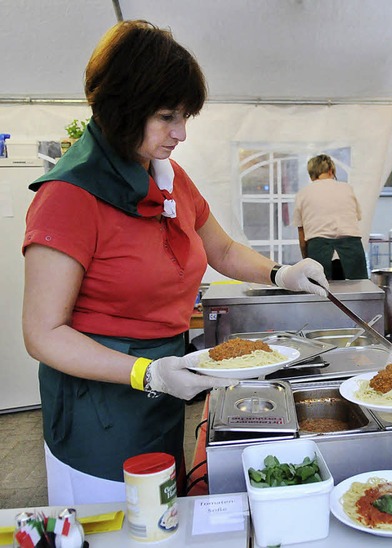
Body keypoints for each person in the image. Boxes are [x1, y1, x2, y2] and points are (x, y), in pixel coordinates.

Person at [21, 20, 328, 506]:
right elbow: (43, 333)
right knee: (117, 522)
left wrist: (282, 273)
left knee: (163, 514)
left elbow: (221, 251)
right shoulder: (69, 196)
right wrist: (149, 373)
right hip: (99, 408)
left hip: (161, 389)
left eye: (185, 117)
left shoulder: (166, 176)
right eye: (168, 117)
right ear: (121, 108)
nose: (181, 133)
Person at [293, 154, 368, 280]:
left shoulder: (303, 193)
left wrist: (306, 259)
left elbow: (302, 236)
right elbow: (356, 217)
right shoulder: (347, 189)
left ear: (311, 174)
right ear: (331, 171)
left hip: (318, 250)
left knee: (322, 295)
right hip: (352, 250)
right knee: (357, 293)